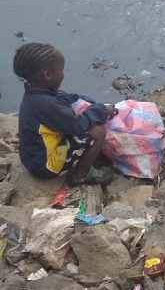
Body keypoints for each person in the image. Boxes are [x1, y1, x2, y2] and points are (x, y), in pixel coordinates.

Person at [13, 43, 115, 185]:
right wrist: (101, 110)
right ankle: (81, 175)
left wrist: (89, 103)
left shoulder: (34, 92)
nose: (63, 74)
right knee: (97, 133)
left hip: (32, 157)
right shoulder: (46, 104)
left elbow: (64, 98)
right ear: (48, 74)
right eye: (61, 70)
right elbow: (77, 125)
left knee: (76, 115)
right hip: (45, 166)